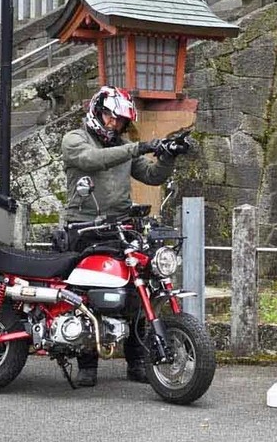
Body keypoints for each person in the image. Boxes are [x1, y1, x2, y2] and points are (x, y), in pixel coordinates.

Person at [60, 85, 188, 387]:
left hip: (121, 227)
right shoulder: (75, 139)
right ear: (97, 111)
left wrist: (169, 154)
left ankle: (137, 362)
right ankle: (87, 365)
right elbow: (93, 160)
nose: (114, 124)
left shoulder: (122, 144)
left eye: (119, 121)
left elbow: (152, 175)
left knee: (138, 291)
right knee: (84, 296)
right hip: (84, 228)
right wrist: (138, 146)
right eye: (110, 117)